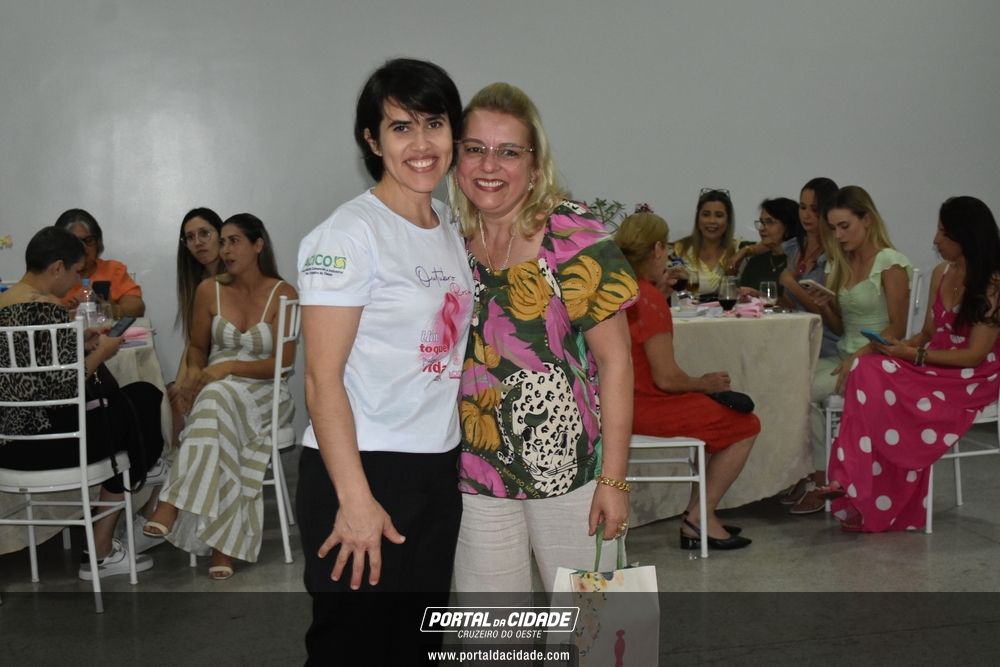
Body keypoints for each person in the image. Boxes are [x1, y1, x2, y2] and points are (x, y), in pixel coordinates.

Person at [295, 58, 471, 663]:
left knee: (416, 646)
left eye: (434, 124)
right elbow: (320, 380)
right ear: (372, 141)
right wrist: (356, 499)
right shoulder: (348, 235)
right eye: (401, 127)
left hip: (436, 467)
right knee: (353, 647)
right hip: (362, 466)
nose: (421, 144)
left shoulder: (450, 225)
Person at [450, 82, 638, 593]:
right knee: (492, 631)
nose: (490, 165)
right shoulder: (447, 241)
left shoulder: (572, 235)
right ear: (456, 158)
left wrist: (614, 480)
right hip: (476, 478)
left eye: (509, 151)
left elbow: (617, 363)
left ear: (534, 165)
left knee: (597, 626)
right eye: (475, 149)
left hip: (574, 477)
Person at [818, 197, 1000, 532]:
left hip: (970, 378)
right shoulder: (942, 273)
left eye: (943, 232)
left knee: (876, 380)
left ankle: (855, 483)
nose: (935, 240)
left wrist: (912, 356)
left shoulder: (993, 284)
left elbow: (974, 355)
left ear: (966, 236)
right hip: (933, 366)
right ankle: (853, 480)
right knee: (867, 367)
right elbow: (928, 334)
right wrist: (897, 348)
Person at [0, 227, 164, 579]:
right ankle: (102, 550)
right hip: (53, 444)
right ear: (58, 267)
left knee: (128, 407)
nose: (77, 280)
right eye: (76, 271)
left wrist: (77, 343)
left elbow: (33, 372)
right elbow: (62, 389)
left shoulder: (6, 301)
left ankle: (147, 466)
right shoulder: (47, 308)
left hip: (9, 446)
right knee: (143, 401)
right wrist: (102, 352)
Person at [142, 213, 297, 580]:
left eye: (234, 241)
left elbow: (283, 364)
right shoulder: (207, 290)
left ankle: (172, 501)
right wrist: (196, 371)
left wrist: (226, 368)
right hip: (218, 391)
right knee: (215, 403)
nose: (225, 250)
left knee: (215, 398)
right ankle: (222, 547)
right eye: (223, 242)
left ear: (257, 245)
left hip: (265, 392)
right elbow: (197, 347)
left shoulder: (284, 294)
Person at [615, 212, 757, 550]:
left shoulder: (618, 289)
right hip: (644, 406)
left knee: (717, 416)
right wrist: (704, 383)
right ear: (657, 249)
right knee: (745, 424)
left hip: (616, 403)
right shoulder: (648, 299)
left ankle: (698, 515)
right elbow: (667, 379)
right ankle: (700, 517)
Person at [790, 185, 912, 515]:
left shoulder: (890, 262)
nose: (839, 236)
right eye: (833, 228)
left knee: (803, 394)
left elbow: (898, 329)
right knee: (791, 388)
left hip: (878, 361)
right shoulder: (842, 262)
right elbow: (841, 327)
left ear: (867, 220)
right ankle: (820, 475)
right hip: (847, 355)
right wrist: (824, 304)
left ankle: (822, 479)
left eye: (845, 226)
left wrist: (858, 358)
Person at [54, 209, 145, 317]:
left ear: (97, 243)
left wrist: (115, 310)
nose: (83, 247)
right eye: (75, 242)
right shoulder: (53, 274)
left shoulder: (113, 270)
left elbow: (137, 307)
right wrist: (65, 314)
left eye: (88, 240)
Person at [675, 189, 751, 297]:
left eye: (719, 215)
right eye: (706, 215)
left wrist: (745, 251)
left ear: (728, 221)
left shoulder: (738, 247)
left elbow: (770, 243)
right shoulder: (679, 249)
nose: (712, 221)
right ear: (698, 218)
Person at [737, 197, 800, 298]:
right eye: (762, 222)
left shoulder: (798, 261)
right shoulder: (755, 262)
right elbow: (741, 297)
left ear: (788, 226)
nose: (761, 228)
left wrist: (759, 296)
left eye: (770, 222)